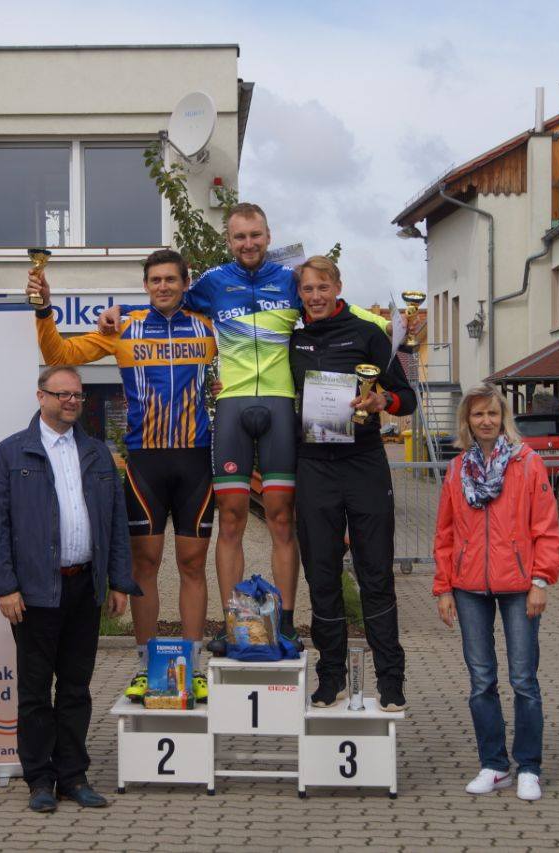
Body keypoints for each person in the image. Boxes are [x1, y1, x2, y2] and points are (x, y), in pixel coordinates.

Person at [98, 203, 387, 644]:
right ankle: (236, 625)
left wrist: (389, 323)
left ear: (268, 237)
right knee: (230, 520)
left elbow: (345, 309)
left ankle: (285, 622)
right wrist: (118, 310)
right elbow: (165, 302)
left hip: (279, 406)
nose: (248, 243)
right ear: (228, 240)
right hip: (231, 407)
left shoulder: (291, 281)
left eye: (255, 235)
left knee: (280, 519)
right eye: (239, 237)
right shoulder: (212, 283)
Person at [27, 249, 215, 704]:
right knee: (144, 567)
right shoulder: (124, 327)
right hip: (145, 463)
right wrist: (44, 311)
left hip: (195, 460)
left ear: (185, 283)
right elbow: (59, 354)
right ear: (145, 284)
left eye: (171, 279)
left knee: (192, 566)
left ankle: (191, 668)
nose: (163, 287)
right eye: (155, 280)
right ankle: (148, 667)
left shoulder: (209, 328)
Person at [0, 366, 141, 813]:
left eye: (78, 395)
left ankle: (73, 776)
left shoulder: (96, 454)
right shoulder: (11, 454)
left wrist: (119, 581)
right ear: (40, 396)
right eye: (61, 393)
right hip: (32, 594)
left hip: (83, 588)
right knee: (34, 692)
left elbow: (115, 525)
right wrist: (5, 587)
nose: (71, 401)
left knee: (75, 688)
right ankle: (39, 779)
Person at [288, 256, 416, 712]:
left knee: (375, 574)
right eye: (308, 289)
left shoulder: (367, 333)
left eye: (323, 287)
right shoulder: (292, 335)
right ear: (299, 293)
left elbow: (408, 400)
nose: (316, 296)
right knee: (321, 575)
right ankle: (330, 678)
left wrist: (383, 398)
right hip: (314, 465)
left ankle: (390, 680)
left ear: (337, 286)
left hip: (363, 463)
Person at [432, 383, 559, 802]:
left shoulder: (528, 464)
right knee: (480, 680)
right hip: (468, 588)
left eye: (491, 413)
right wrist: (443, 588)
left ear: (502, 417)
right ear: (466, 422)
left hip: (520, 587)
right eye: (476, 415)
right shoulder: (457, 471)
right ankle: (493, 764)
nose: (485, 421)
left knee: (523, 679)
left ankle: (529, 767)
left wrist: (540, 580)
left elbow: (545, 527)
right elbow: (445, 534)